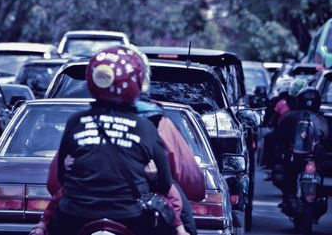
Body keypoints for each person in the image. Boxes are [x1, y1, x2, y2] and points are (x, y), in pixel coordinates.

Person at [30, 46, 203, 235]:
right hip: (132, 218)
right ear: (138, 80)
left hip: (74, 216)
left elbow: (58, 180)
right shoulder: (150, 124)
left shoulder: (76, 121)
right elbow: (170, 184)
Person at [273, 87, 331, 208]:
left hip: (310, 156)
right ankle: (290, 197)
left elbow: (329, 138)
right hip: (296, 155)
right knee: (288, 174)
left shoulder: (320, 120)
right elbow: (280, 135)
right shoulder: (293, 117)